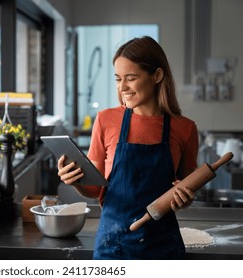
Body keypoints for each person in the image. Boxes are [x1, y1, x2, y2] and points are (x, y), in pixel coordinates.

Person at [57, 36, 199, 260]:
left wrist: (185, 198)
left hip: (163, 248)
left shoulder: (185, 129)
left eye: (131, 78)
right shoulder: (105, 120)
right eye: (117, 79)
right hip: (113, 246)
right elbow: (95, 190)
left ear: (157, 76)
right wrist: (74, 181)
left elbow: (187, 188)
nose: (123, 87)